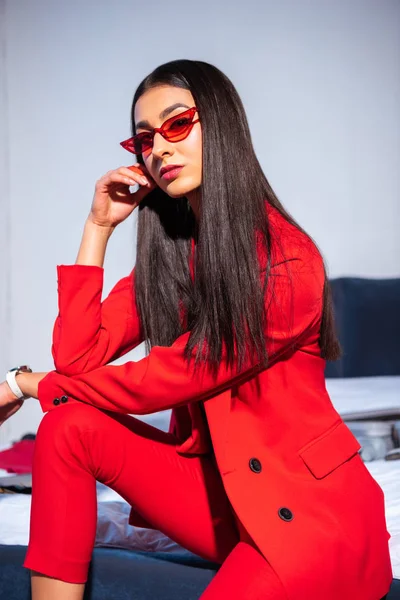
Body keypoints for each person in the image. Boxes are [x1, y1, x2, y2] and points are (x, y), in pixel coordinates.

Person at [0, 59, 393, 600]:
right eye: (143, 138)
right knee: (66, 429)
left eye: (177, 124)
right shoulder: (170, 259)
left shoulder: (287, 264)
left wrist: (24, 383)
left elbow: (163, 380)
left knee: (61, 409)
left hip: (306, 513)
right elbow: (77, 358)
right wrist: (97, 228)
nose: (158, 148)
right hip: (219, 502)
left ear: (221, 124)